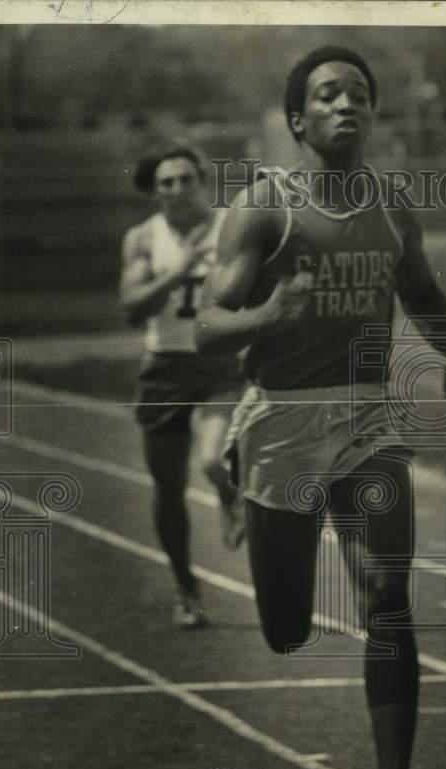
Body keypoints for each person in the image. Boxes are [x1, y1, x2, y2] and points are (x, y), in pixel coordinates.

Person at [197, 47, 446, 769]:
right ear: (298, 120)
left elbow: (421, 289)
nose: (345, 105)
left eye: (358, 94)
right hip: (280, 423)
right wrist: (268, 318)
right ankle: (235, 480)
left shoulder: (392, 206)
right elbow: (209, 327)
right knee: (286, 629)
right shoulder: (262, 209)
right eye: (327, 95)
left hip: (364, 421)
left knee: (386, 593)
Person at [120, 142, 244, 628]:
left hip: (217, 364)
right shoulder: (143, 240)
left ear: (202, 182)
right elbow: (132, 306)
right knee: (167, 488)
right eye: (166, 183)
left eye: (185, 180)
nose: (177, 189)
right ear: (155, 193)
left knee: (213, 458)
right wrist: (178, 270)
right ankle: (186, 587)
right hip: (164, 368)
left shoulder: (230, 229)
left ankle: (230, 495)